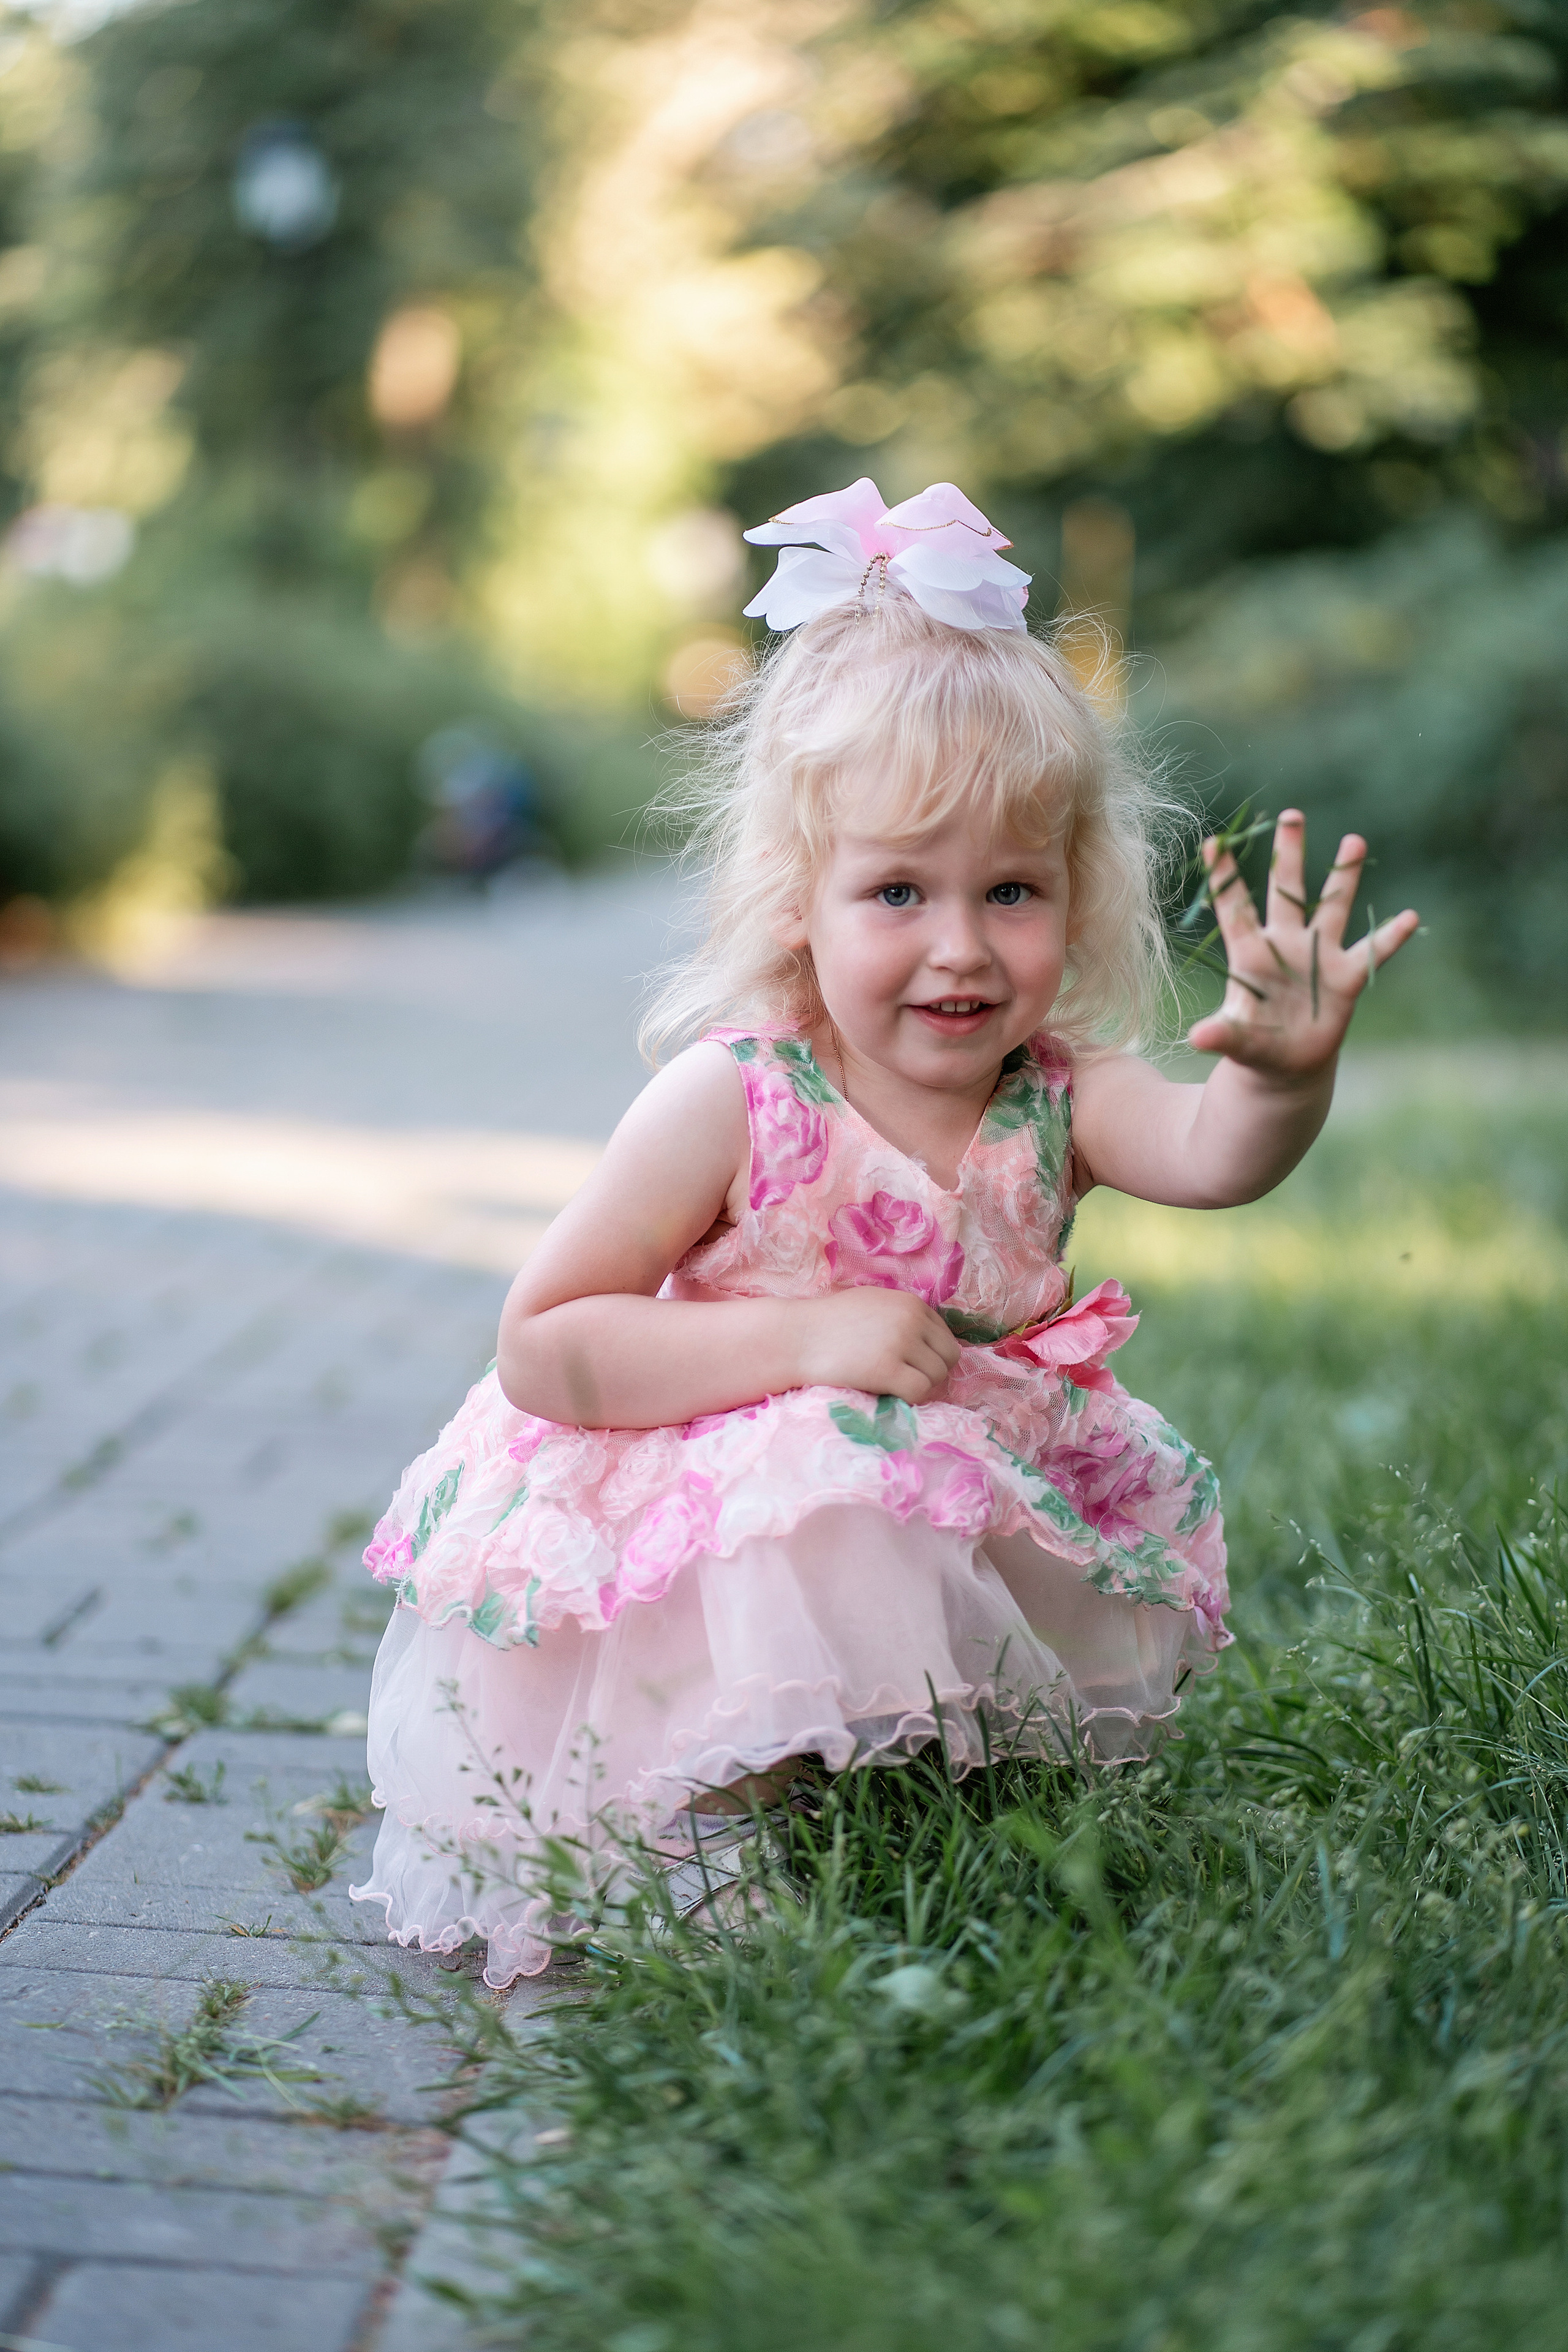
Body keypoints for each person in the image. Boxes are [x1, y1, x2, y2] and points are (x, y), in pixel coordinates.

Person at [349, 478, 1419, 1986]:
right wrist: (804, 1338)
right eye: (898, 891)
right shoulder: (733, 1100)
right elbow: (544, 1342)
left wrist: (1280, 1076)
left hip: (945, 1486)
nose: (961, 948)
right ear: (801, 902)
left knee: (897, 1475)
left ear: (1077, 892)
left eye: (1012, 892)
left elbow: (1212, 1154)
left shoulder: (1060, 1095)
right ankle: (727, 1809)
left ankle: (909, 1784)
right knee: (831, 1444)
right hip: (705, 1533)